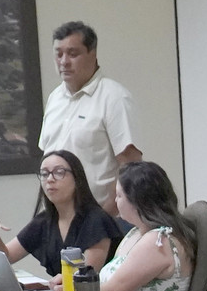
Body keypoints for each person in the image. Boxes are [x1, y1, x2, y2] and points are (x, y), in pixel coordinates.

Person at [37, 21, 140, 209]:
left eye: (72, 54)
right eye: (58, 54)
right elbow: (47, 158)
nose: (64, 61)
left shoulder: (113, 97)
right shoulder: (54, 98)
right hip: (58, 221)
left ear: (93, 54)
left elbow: (131, 167)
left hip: (102, 219)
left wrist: (104, 220)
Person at [0, 147, 118, 278]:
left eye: (59, 172)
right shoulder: (44, 221)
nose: (50, 179)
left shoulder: (96, 219)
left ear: (77, 178)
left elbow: (85, 278)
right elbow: (5, 258)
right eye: (44, 174)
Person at [97, 161, 195, 291]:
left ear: (137, 201)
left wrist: (73, 289)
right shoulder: (135, 234)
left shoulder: (158, 242)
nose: (116, 201)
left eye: (119, 195)